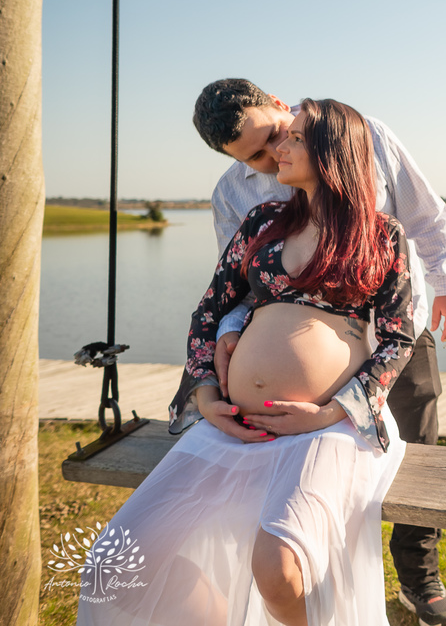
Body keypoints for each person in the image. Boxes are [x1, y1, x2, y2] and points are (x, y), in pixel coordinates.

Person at [78, 99, 415, 625]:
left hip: (327, 428)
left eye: (295, 138)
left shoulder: (381, 235)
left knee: (279, 572)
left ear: (333, 149)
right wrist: (205, 393)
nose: (280, 147)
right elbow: (210, 311)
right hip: (234, 425)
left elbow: (398, 340)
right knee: (113, 564)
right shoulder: (263, 222)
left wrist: (332, 412)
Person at [192, 78, 446, 625]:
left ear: (277, 103)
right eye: (255, 156)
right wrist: (230, 329)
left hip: (391, 322)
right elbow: (242, 282)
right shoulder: (233, 195)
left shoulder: (364, 137)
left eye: (274, 138)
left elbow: (425, 216)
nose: (274, 156)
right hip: (292, 351)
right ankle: (294, 568)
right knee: (301, 468)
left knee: (418, 442)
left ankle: (420, 573)